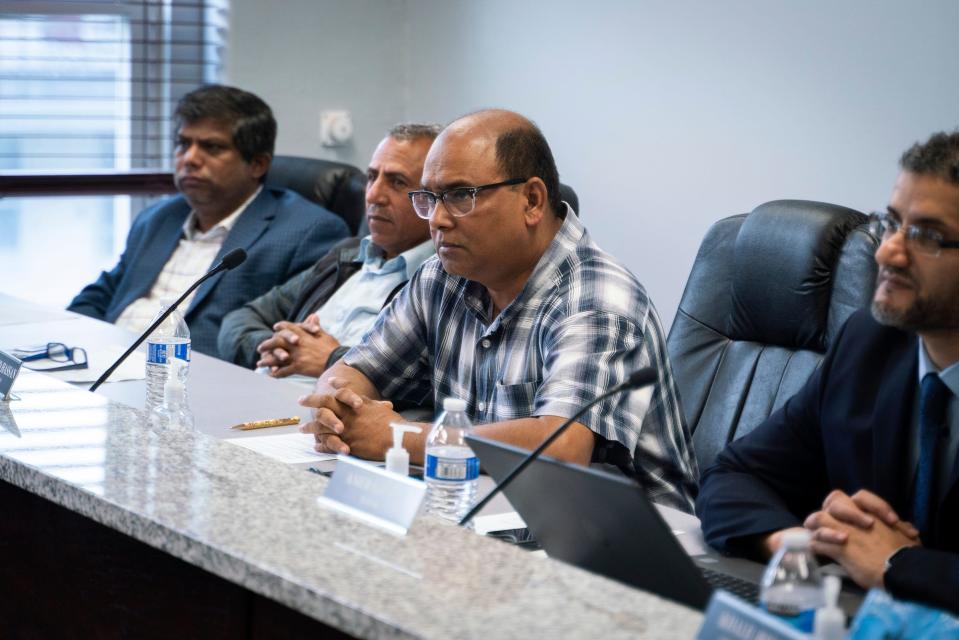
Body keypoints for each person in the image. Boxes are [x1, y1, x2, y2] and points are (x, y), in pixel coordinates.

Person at [299, 109, 699, 512]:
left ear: (532, 200)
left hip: (620, 542)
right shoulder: (444, 276)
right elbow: (358, 368)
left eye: (460, 196)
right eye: (429, 198)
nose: (437, 220)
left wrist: (400, 437)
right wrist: (336, 406)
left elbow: (561, 448)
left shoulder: (596, 298)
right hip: (485, 510)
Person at [696, 131, 959, 614]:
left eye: (926, 236)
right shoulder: (871, 343)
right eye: (892, 223)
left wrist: (897, 564)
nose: (887, 253)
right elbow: (734, 476)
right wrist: (806, 542)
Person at [67, 85, 350, 356]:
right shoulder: (158, 217)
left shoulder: (307, 232)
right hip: (111, 365)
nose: (189, 158)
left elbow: (284, 338)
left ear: (257, 164)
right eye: (183, 144)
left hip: (194, 384)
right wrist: (84, 346)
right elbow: (101, 296)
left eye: (211, 147)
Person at [217, 123, 440, 376]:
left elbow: (428, 377)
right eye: (371, 177)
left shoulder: (443, 279)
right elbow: (241, 318)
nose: (374, 195)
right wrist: (277, 349)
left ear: (434, 198)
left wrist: (332, 359)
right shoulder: (347, 255)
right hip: (265, 395)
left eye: (397, 182)